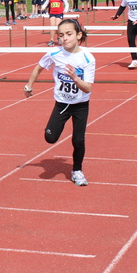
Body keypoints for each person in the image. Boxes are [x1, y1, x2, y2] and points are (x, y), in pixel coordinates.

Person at [24, 19, 95, 186]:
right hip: (62, 104)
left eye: (69, 34)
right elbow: (39, 67)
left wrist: (76, 78)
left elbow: (87, 88)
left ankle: (77, 170)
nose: (65, 38)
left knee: (78, 140)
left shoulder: (87, 58)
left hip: (80, 105)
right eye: (61, 35)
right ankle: (54, 125)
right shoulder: (54, 54)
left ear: (78, 35)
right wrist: (29, 86)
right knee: (50, 138)